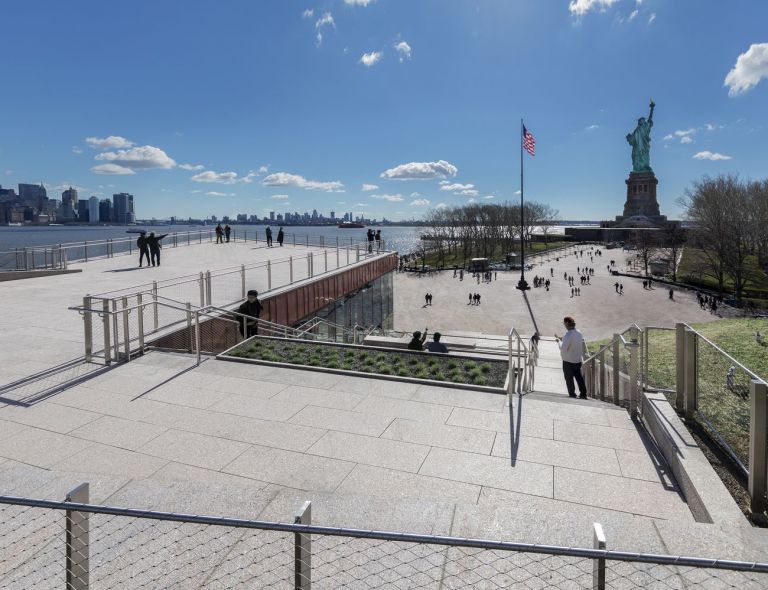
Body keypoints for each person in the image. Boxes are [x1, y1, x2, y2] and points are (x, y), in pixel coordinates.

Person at [556, 316, 588, 399]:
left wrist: (559, 342)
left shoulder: (568, 334)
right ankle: (583, 394)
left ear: (567, 323)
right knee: (579, 377)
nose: (564, 325)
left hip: (568, 361)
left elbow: (563, 348)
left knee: (569, 379)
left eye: (564, 323)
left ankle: (572, 394)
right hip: (577, 360)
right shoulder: (579, 333)